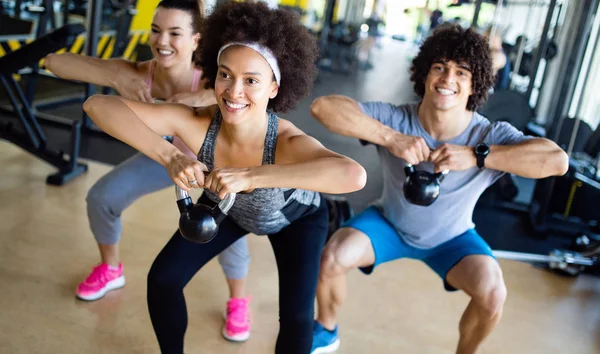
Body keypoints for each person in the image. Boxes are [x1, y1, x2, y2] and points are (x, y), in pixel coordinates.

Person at [82, 2, 367, 353]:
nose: (233, 92)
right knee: (163, 279)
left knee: (294, 317)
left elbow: (354, 175)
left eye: (251, 81)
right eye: (225, 75)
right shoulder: (198, 122)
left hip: (297, 219)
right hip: (228, 207)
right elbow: (97, 106)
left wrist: (252, 176)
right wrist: (170, 156)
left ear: (274, 88)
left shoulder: (286, 141)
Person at [309, 23, 569, 354]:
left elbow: (557, 161)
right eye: (439, 68)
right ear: (424, 74)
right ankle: (327, 331)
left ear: (475, 84)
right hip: (388, 224)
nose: (448, 79)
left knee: (492, 293)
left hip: (453, 239)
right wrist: (391, 137)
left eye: (462, 72)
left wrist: (478, 156)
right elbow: (323, 108)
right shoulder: (397, 120)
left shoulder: (488, 135)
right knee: (331, 257)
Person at [45, 0, 255, 342]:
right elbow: (55, 62)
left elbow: (261, 91)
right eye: (156, 31)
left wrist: (205, 98)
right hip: (168, 158)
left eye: (175, 33)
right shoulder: (140, 73)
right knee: (102, 197)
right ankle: (111, 268)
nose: (162, 42)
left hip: (219, 164)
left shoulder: (218, 77)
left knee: (224, 228)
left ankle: (238, 300)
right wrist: (114, 75)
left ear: (196, 40)